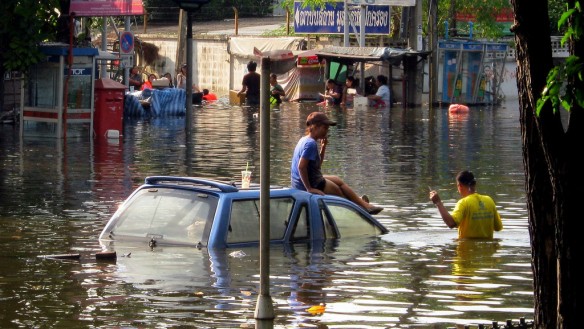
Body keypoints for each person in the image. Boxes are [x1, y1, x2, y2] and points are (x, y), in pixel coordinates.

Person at [290, 112, 384, 215]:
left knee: (338, 180)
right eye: (325, 128)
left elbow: (317, 166)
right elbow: (301, 167)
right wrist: (309, 189)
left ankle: (361, 203)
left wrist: (323, 148)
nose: (327, 131)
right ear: (315, 127)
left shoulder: (304, 140)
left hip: (305, 180)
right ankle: (360, 206)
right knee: (340, 194)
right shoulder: (311, 144)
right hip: (309, 184)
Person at [429, 170, 503, 239]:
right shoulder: (489, 200)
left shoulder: (463, 203)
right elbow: (498, 227)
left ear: (460, 186)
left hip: (467, 251)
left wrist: (438, 203)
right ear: (475, 184)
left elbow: (451, 223)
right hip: (488, 252)